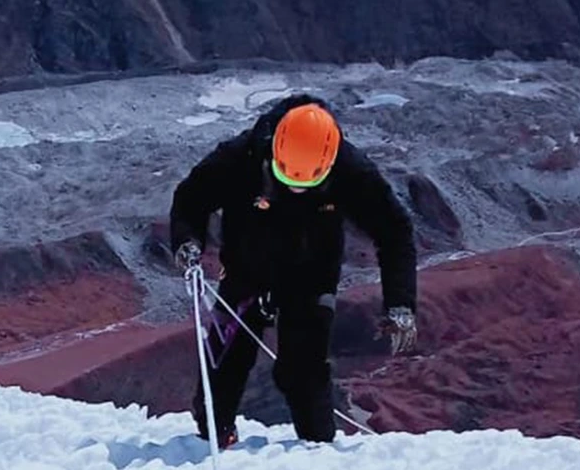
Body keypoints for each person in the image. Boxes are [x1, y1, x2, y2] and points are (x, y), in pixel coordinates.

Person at [169, 92, 418, 447]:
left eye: (308, 185)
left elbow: (394, 231)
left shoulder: (350, 169)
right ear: (274, 151)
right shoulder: (242, 156)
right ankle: (213, 439)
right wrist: (186, 241)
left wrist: (401, 302)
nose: (296, 189)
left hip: (311, 277)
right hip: (245, 270)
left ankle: (318, 451)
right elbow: (191, 198)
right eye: (286, 179)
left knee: (305, 372)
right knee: (224, 363)